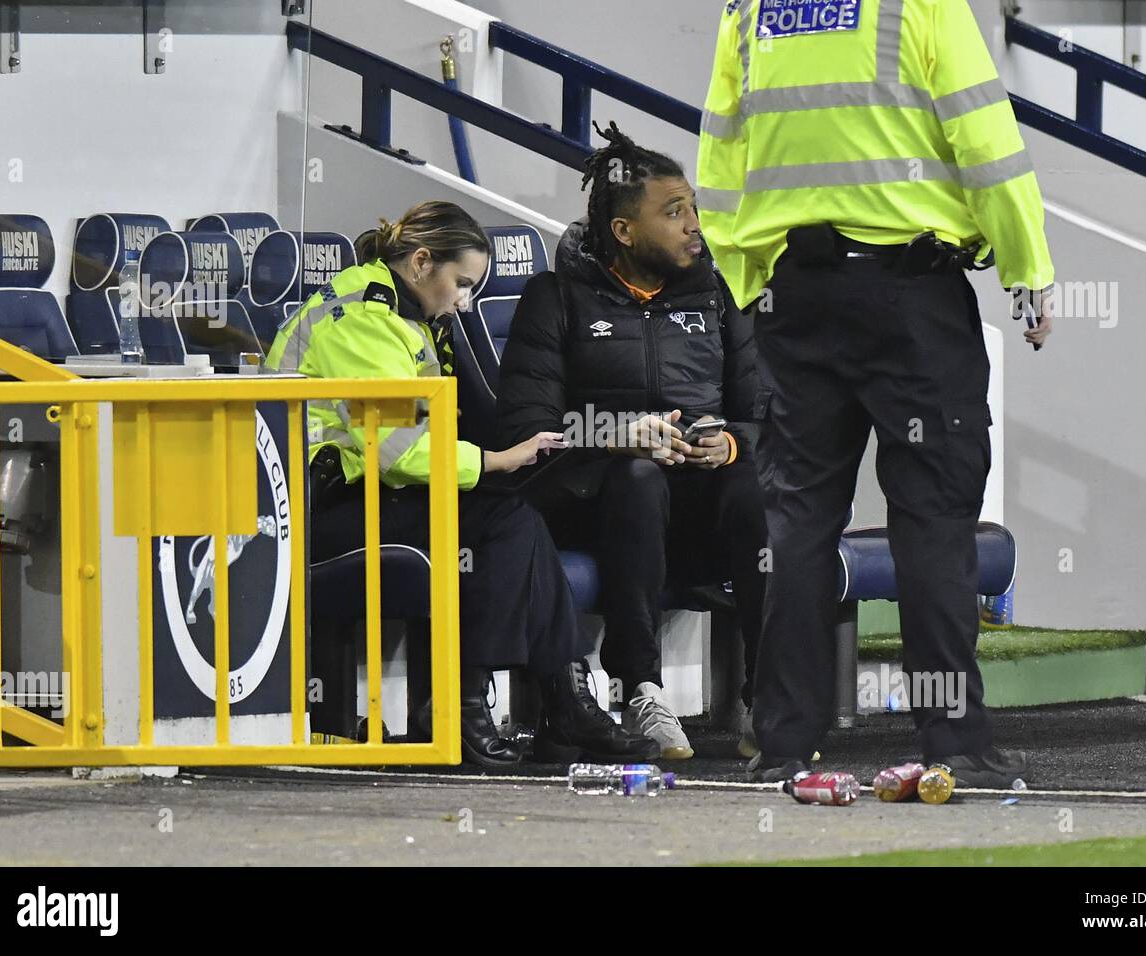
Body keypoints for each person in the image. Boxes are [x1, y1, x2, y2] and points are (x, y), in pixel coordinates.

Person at [697, 0, 1054, 783]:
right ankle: (953, 742)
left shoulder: (751, 12)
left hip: (796, 298)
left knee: (797, 523)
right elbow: (986, 142)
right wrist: (1029, 274)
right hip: (911, 299)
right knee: (933, 519)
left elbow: (719, 165)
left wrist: (751, 282)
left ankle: (785, 744)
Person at [266, 199, 658, 768]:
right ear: (422, 262)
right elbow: (398, 452)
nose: (465, 299)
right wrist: (496, 462)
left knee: (518, 515)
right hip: (311, 511)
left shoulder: (407, 316)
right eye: (461, 283)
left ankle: (548, 697)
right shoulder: (364, 321)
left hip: (368, 493)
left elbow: (458, 417)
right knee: (504, 513)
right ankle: (485, 701)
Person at [496, 123, 769, 760]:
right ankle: (640, 689)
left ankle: (767, 691)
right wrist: (614, 436)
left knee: (751, 483)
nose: (694, 226)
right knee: (640, 477)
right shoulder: (555, 298)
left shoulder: (720, 296)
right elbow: (521, 433)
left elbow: (766, 420)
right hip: (596, 503)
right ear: (624, 231)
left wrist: (725, 443)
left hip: (698, 506)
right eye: (674, 213)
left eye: (694, 209)